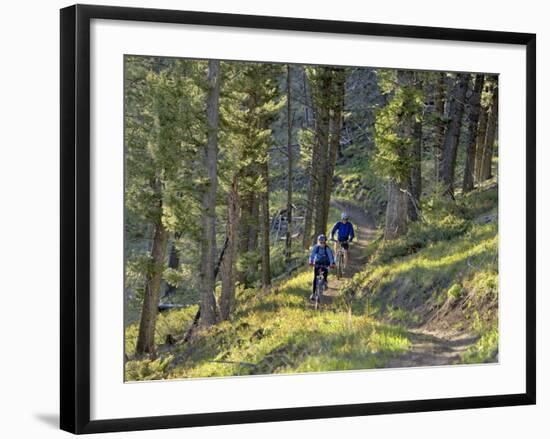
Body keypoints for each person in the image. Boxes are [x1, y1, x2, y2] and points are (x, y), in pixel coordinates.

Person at [308, 234, 335, 301]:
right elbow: (312, 255)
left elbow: (331, 257)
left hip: (326, 263)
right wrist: (311, 262)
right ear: (318, 242)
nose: (322, 244)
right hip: (317, 263)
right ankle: (313, 293)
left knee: (325, 271)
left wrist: (332, 264)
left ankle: (325, 281)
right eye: (321, 242)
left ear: (325, 242)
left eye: (324, 242)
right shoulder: (316, 247)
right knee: (315, 278)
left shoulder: (327, 248)